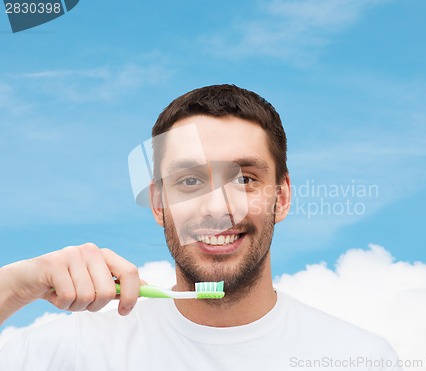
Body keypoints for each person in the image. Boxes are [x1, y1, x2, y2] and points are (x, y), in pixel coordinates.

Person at [0, 84, 402, 370]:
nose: (218, 209)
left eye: (245, 178)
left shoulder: (362, 358)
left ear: (281, 197)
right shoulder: (72, 352)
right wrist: (16, 286)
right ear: (159, 204)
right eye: (190, 182)